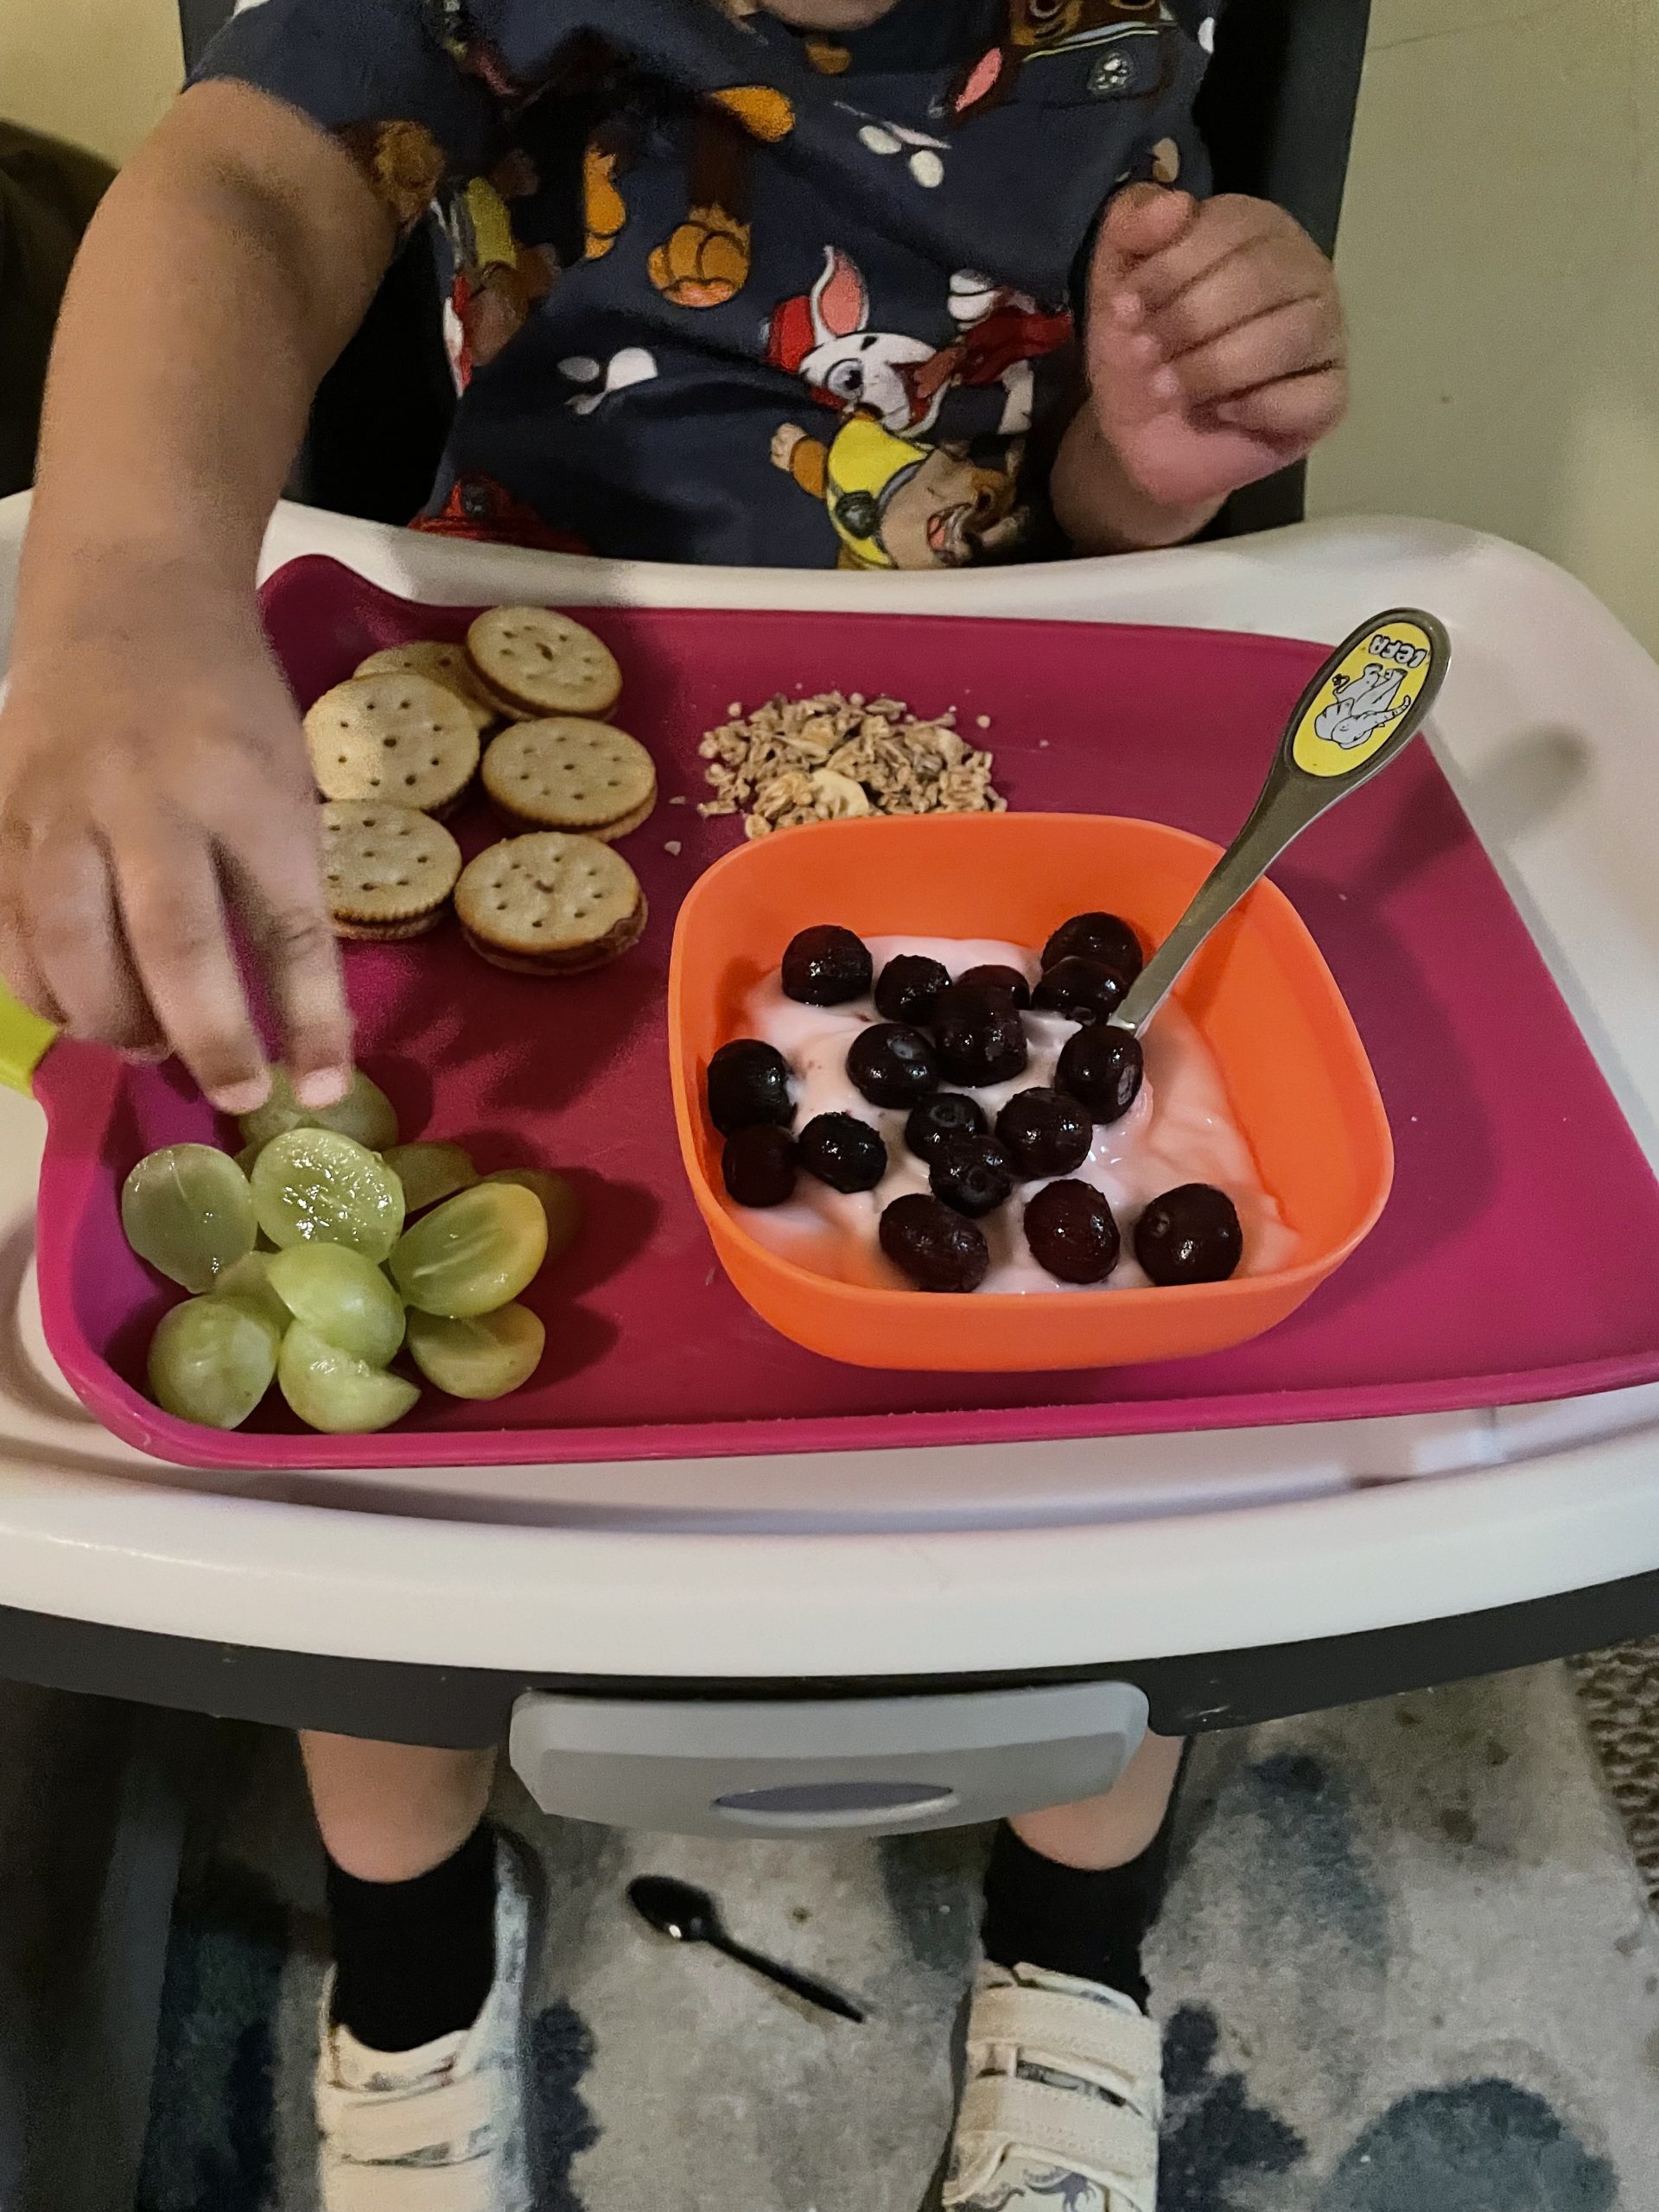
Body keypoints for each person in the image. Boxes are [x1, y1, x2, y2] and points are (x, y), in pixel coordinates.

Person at [0, 0, 1347, 2203]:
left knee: (1180, 1400)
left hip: (992, 708)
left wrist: (1159, 448)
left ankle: (1078, 1933)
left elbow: (1068, 488)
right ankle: (415, 1954)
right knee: (376, 1417)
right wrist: (134, 574)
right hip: (545, 678)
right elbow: (247, 179)